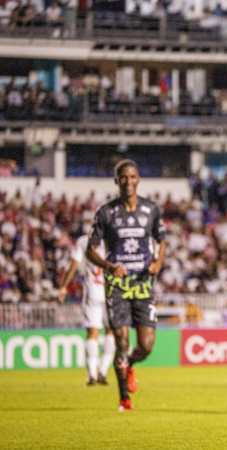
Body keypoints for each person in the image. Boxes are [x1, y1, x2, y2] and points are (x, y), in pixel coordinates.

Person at [86, 159, 167, 411]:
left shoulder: (151, 210)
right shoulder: (106, 212)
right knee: (121, 340)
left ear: (138, 179)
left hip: (143, 284)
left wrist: (158, 262)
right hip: (117, 285)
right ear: (116, 181)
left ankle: (130, 364)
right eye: (123, 177)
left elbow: (162, 241)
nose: (128, 181)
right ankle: (124, 398)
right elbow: (90, 250)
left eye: (132, 177)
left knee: (146, 345)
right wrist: (109, 266)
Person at [58, 212, 116, 386]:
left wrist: (63, 287)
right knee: (111, 331)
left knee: (92, 333)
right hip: (112, 292)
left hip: (93, 291)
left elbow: (73, 266)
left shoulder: (84, 241)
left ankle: (92, 374)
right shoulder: (114, 240)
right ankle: (103, 372)